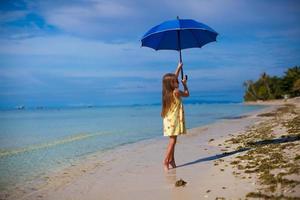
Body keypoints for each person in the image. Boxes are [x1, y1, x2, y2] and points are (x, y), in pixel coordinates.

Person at [161, 62, 189, 171]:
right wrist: (185, 83)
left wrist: (178, 68)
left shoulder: (167, 92)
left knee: (173, 140)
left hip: (168, 120)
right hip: (173, 120)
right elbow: (187, 94)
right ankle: (165, 161)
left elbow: (172, 79)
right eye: (175, 81)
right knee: (172, 141)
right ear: (172, 84)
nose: (177, 81)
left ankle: (172, 160)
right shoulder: (176, 91)